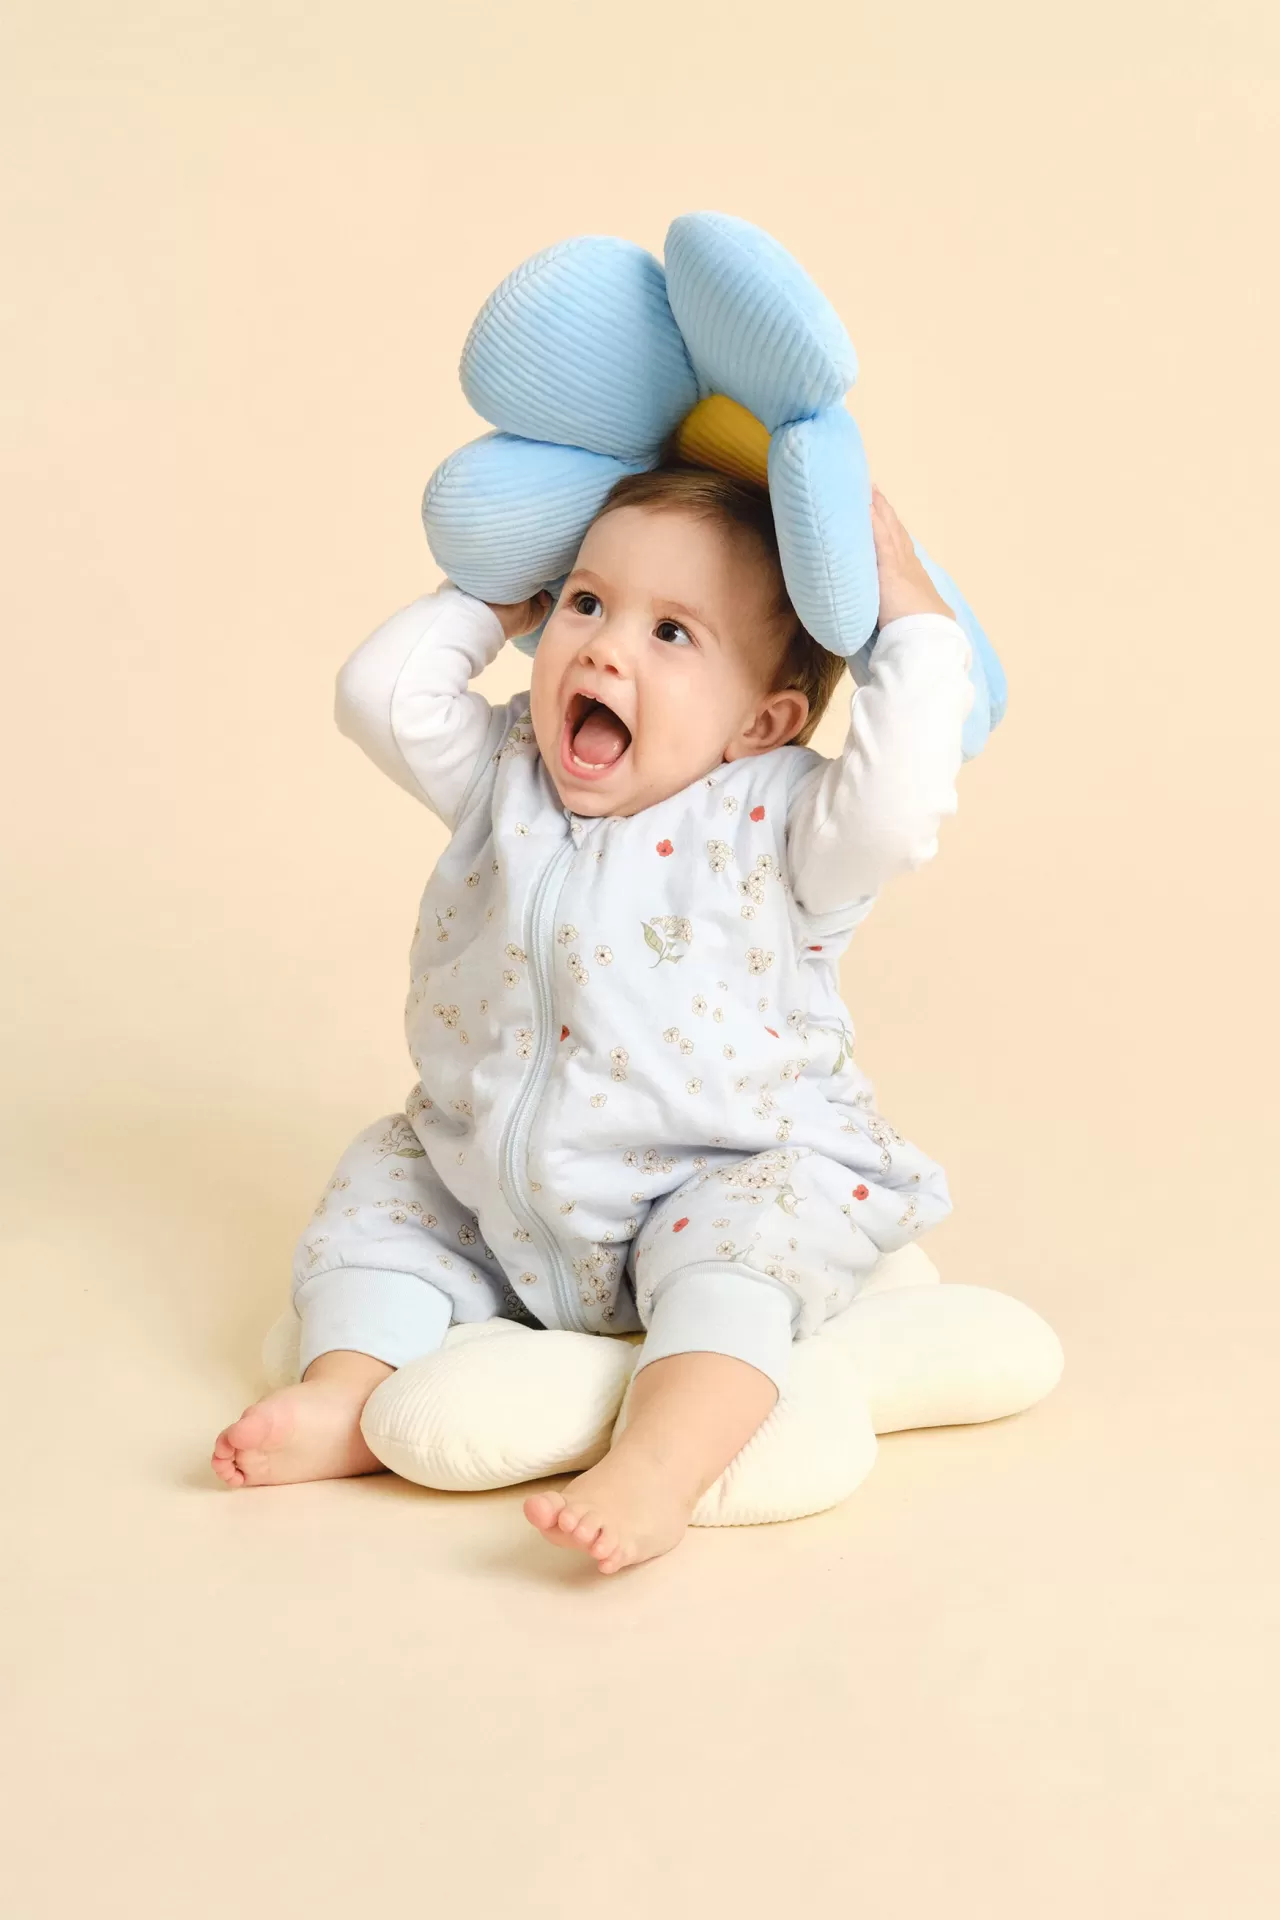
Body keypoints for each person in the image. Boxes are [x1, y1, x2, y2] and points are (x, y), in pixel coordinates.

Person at [212, 467, 974, 1574]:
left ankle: (661, 1464)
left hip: (715, 1171)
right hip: (492, 1176)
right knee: (385, 1190)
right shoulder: (504, 774)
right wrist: (491, 599)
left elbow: (904, 796)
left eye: (671, 631)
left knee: (742, 1255)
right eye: (585, 603)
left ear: (762, 720)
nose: (607, 648)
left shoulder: (783, 824)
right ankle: (347, 1392)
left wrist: (909, 614)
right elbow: (378, 693)